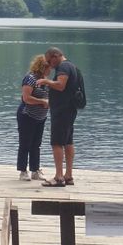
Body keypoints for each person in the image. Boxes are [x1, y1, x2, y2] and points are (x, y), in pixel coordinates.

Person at [37, 47, 80, 187]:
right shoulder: (72, 65)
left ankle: (59, 177)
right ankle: (68, 176)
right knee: (68, 142)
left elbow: (61, 85)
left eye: (49, 61)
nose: (49, 65)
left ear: (55, 56)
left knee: (57, 143)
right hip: (69, 110)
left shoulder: (63, 67)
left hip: (62, 111)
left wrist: (46, 82)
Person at [17, 54, 50, 180]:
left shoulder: (45, 80)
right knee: (25, 143)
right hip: (27, 115)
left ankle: (35, 170)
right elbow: (26, 98)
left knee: (36, 144)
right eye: (48, 67)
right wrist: (42, 102)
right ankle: (23, 171)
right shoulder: (30, 79)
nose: (50, 70)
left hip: (40, 117)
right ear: (43, 67)